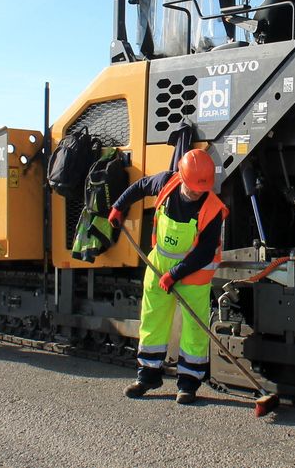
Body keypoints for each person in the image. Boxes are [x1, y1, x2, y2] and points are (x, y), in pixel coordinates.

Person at [107, 148, 227, 405]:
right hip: (158, 267)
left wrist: (175, 274)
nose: (197, 193)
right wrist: (118, 206)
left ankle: (188, 384)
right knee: (153, 321)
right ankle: (147, 376)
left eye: (202, 189)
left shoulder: (213, 209)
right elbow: (140, 186)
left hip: (194, 275)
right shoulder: (166, 182)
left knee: (194, 330)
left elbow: (205, 252)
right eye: (193, 188)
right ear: (182, 177)